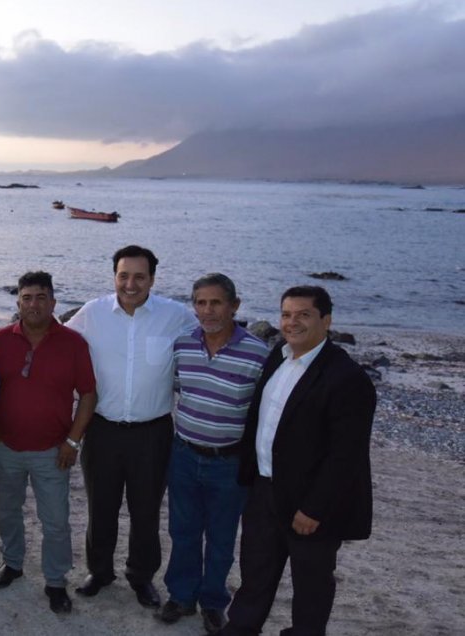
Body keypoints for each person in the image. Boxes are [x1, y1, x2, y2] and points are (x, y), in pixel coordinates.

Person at [219, 286, 376, 636]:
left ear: (326, 320)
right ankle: (242, 627)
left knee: (311, 583)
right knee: (256, 571)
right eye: (287, 314)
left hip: (309, 504)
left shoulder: (347, 378)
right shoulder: (279, 355)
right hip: (264, 490)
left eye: (303, 314)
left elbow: (345, 455)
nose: (292, 322)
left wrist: (315, 509)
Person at [65, 244, 198, 609]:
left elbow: (209, 340)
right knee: (101, 507)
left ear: (152, 279)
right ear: (115, 277)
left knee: (146, 510)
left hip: (152, 432)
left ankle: (141, 577)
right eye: (124, 275)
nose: (130, 283)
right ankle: (100, 572)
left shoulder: (176, 316)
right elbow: (59, 342)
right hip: (102, 429)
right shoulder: (92, 313)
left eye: (139, 276)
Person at [158, 274, 269, 634]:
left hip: (230, 462)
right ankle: (181, 596)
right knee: (183, 531)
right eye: (201, 303)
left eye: (216, 302)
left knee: (221, 539)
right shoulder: (182, 346)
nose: (208, 310)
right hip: (185, 455)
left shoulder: (257, 354)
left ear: (234, 306)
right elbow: (177, 390)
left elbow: (263, 413)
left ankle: (213, 602)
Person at [0, 271, 97, 614]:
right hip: (6, 447)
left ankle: (55, 580)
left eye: (41, 297)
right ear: (18, 302)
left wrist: (72, 442)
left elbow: (89, 395)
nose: (33, 304)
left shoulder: (73, 343)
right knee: (8, 511)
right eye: (27, 297)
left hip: (54, 450)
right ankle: (13, 563)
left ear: (53, 302)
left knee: (56, 520)